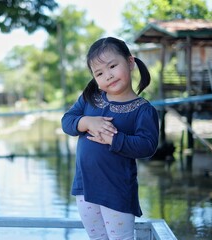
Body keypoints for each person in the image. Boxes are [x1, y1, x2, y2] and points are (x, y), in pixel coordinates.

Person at [61, 37, 159, 240]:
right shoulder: (90, 98)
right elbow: (67, 121)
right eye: (99, 73)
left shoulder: (143, 109)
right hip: (84, 187)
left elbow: (147, 145)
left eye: (113, 66)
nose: (108, 76)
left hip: (117, 191)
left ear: (130, 62)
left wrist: (115, 139)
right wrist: (87, 122)